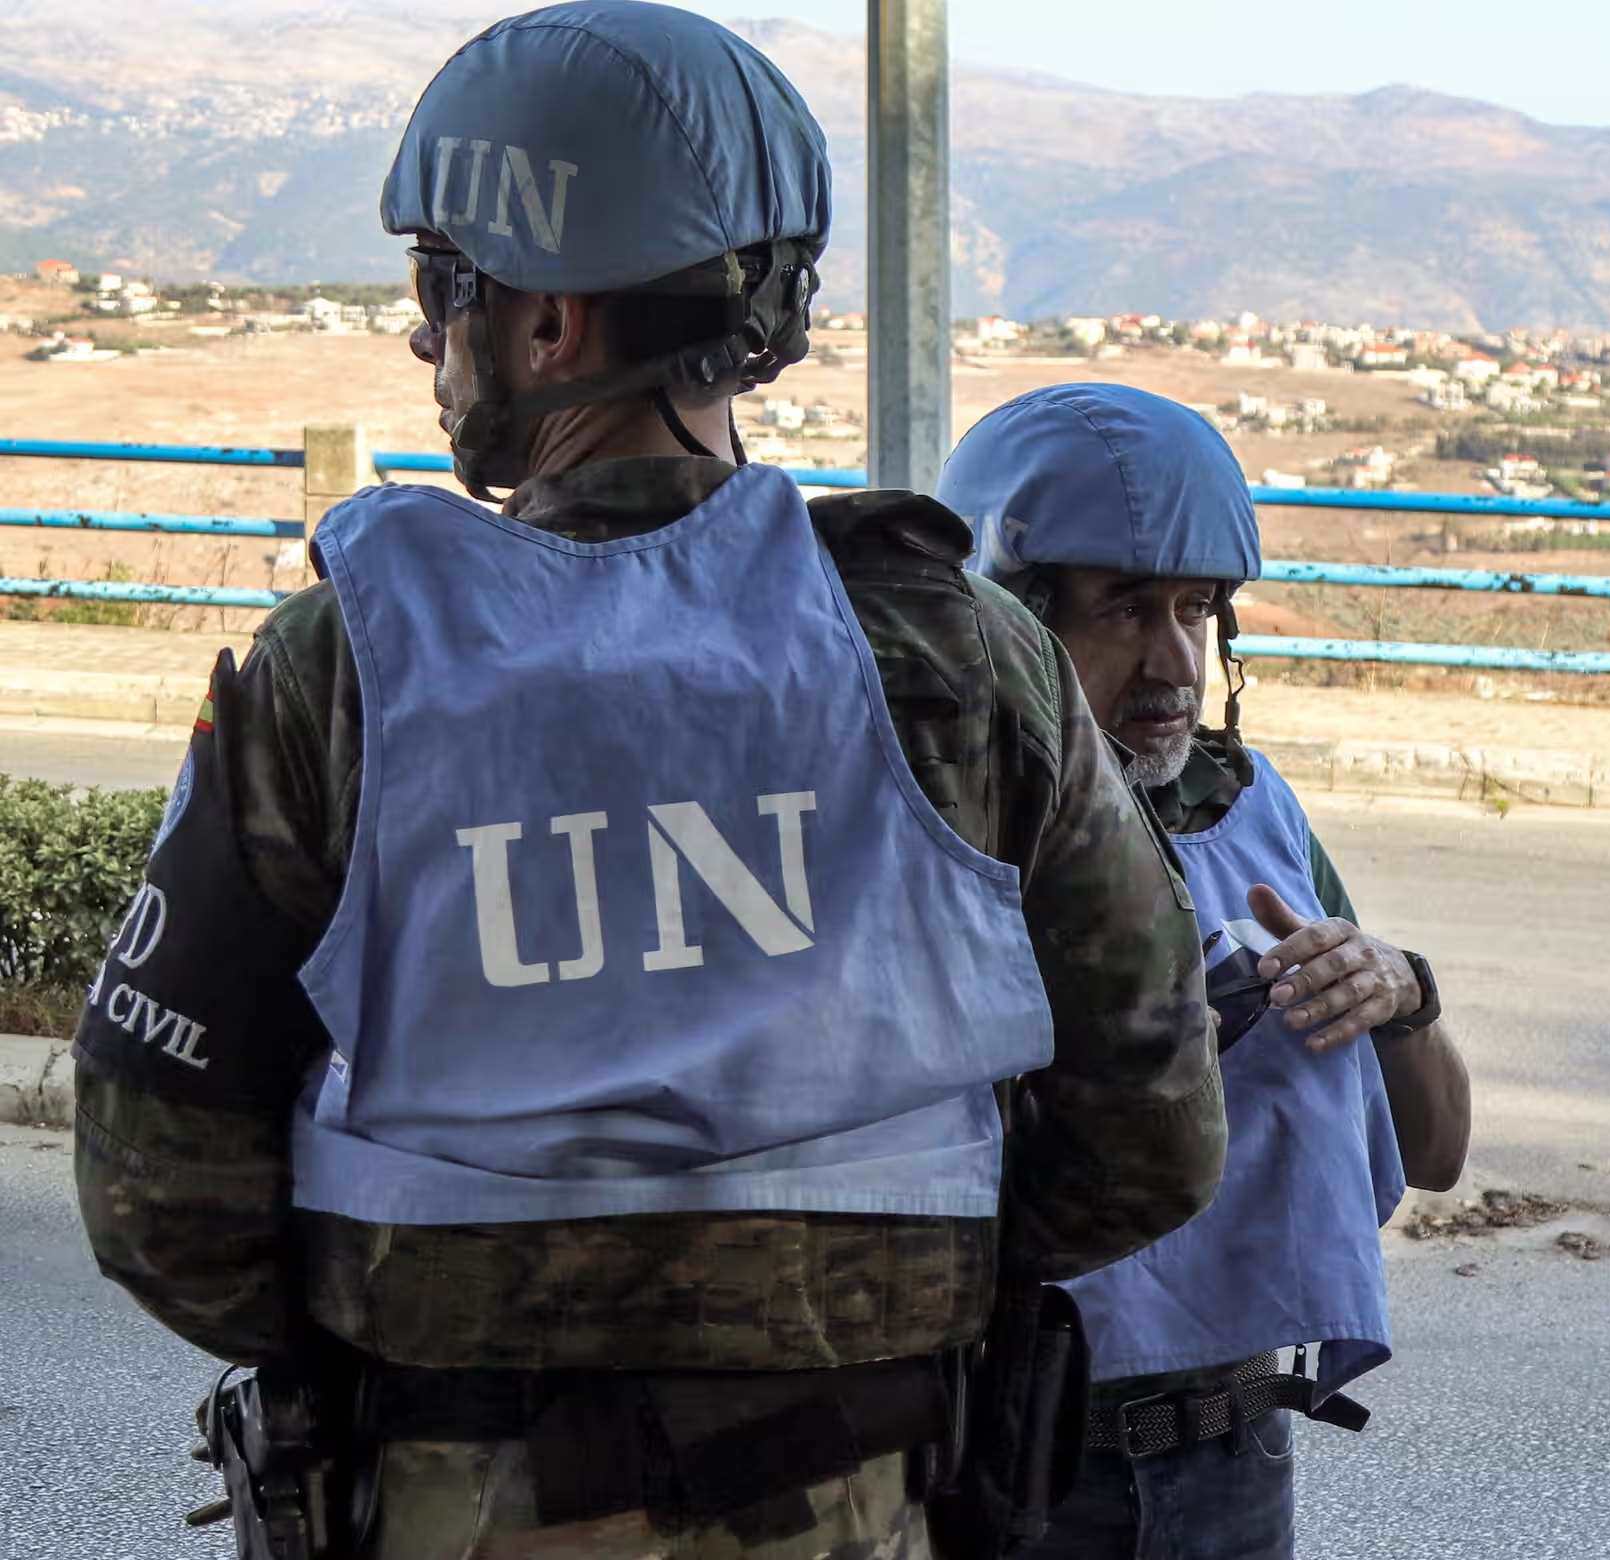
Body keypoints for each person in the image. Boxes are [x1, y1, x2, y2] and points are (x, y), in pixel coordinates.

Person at [71, 7, 1225, 1556]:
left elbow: (157, 1178)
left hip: (450, 1499)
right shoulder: (962, 655)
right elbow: (1151, 1123)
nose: (424, 336)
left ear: (546, 323)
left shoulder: (343, 664)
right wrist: (855, 1303)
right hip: (863, 1496)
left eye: (442, 284)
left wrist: (402, 1341)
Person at [936, 383, 1473, 1560]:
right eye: (1125, 611)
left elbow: (1434, 1154)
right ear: (1006, 624)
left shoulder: (1248, 811)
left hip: (1233, 1456)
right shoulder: (938, 837)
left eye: (1198, 609)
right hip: (1008, 1458)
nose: (1174, 660)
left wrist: (1400, 992)